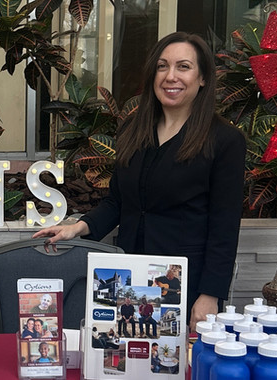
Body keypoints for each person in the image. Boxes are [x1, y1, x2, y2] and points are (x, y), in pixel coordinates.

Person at [33, 31, 245, 333]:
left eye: (183, 67)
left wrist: (209, 295)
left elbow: (224, 226)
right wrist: (77, 228)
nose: (171, 76)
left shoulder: (224, 140)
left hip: (183, 282)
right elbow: (119, 200)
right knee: (123, 358)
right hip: (130, 274)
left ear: (202, 79)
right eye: (162, 66)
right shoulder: (135, 128)